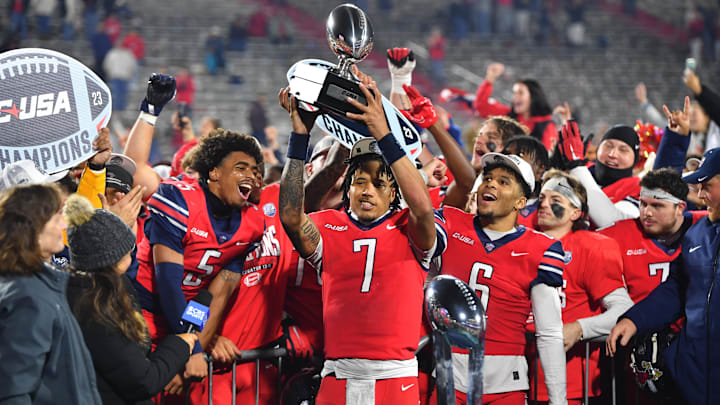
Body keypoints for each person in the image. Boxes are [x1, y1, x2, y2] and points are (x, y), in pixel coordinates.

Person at [278, 78, 441, 404]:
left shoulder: (409, 228)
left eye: (379, 184)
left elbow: (423, 208)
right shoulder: (329, 225)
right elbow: (291, 217)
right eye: (360, 181)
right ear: (347, 187)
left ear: (394, 193)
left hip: (394, 377)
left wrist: (382, 130)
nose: (367, 191)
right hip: (337, 375)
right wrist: (300, 136)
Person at [133, 126, 266, 395]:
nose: (251, 176)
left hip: (184, 318)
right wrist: (190, 350)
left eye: (254, 170)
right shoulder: (179, 198)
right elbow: (168, 283)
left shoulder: (252, 224)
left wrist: (193, 343)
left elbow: (215, 296)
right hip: (140, 313)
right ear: (214, 172)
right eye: (241, 168)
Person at [433, 152, 567, 405]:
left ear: (520, 202)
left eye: (503, 181)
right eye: (488, 178)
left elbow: (549, 333)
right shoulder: (450, 223)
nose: (491, 184)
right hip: (447, 375)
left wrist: (558, 401)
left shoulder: (540, 249)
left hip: (505, 384)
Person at [607, 147, 720, 405]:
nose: (700, 195)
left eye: (707, 186)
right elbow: (677, 288)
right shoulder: (697, 233)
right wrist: (634, 320)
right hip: (695, 372)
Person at [64, 194, 197, 405]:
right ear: (114, 258)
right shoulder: (96, 309)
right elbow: (143, 381)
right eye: (128, 247)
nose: (132, 249)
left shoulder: (85, 288)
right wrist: (180, 345)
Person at [530, 171, 633, 404]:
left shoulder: (590, 247)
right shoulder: (523, 242)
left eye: (555, 200)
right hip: (516, 376)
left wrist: (579, 328)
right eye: (542, 198)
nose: (544, 204)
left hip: (572, 383)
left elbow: (624, 309)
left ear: (575, 212)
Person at [0, 183, 102, 405]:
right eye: (56, 219)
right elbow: (13, 392)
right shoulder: (28, 296)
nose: (64, 225)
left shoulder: (37, 284)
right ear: (32, 229)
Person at [600, 168, 705, 302]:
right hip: (636, 314)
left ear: (680, 208)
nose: (647, 212)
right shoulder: (616, 235)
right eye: (643, 204)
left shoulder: (706, 226)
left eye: (657, 206)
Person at [555, 119, 641, 228]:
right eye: (608, 146)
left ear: (635, 159)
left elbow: (610, 222)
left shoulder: (639, 188)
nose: (612, 154)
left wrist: (576, 167)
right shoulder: (582, 170)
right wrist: (554, 169)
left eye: (623, 150)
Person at [472, 63, 557, 150]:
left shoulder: (547, 125)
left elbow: (546, 155)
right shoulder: (507, 117)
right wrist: (490, 78)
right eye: (514, 93)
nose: (515, 96)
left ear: (533, 97)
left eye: (520, 93)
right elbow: (481, 106)